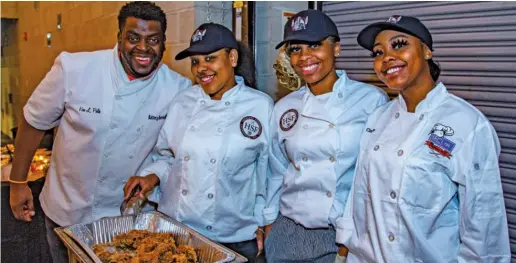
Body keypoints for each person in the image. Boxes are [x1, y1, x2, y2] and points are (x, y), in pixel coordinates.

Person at [8, 2, 191, 262]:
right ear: (118, 38)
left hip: (126, 218)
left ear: (164, 43)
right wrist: (17, 182)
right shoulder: (74, 69)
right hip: (66, 209)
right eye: (133, 38)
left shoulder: (177, 88)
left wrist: (153, 175)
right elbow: (34, 122)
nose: (143, 48)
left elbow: (171, 151)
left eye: (153, 40)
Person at [338, 15, 511, 262]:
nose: (386, 57)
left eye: (399, 45)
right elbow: (358, 193)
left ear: (427, 51)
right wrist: (345, 247)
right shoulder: (378, 117)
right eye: (378, 52)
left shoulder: (468, 123)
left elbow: (484, 223)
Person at [123, 22, 272, 263]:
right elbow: (167, 156)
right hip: (176, 233)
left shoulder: (260, 106)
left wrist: (264, 221)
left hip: (233, 236)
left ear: (232, 58)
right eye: (195, 62)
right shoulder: (183, 102)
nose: (201, 68)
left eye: (210, 58)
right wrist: (150, 176)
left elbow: (269, 173)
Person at [263, 9, 388, 263]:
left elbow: (372, 177)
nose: (304, 56)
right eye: (295, 49)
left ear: (337, 48)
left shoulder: (370, 100)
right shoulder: (285, 107)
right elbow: (275, 170)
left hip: (340, 235)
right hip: (287, 229)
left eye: (314, 45)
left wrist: (347, 243)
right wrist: (268, 224)